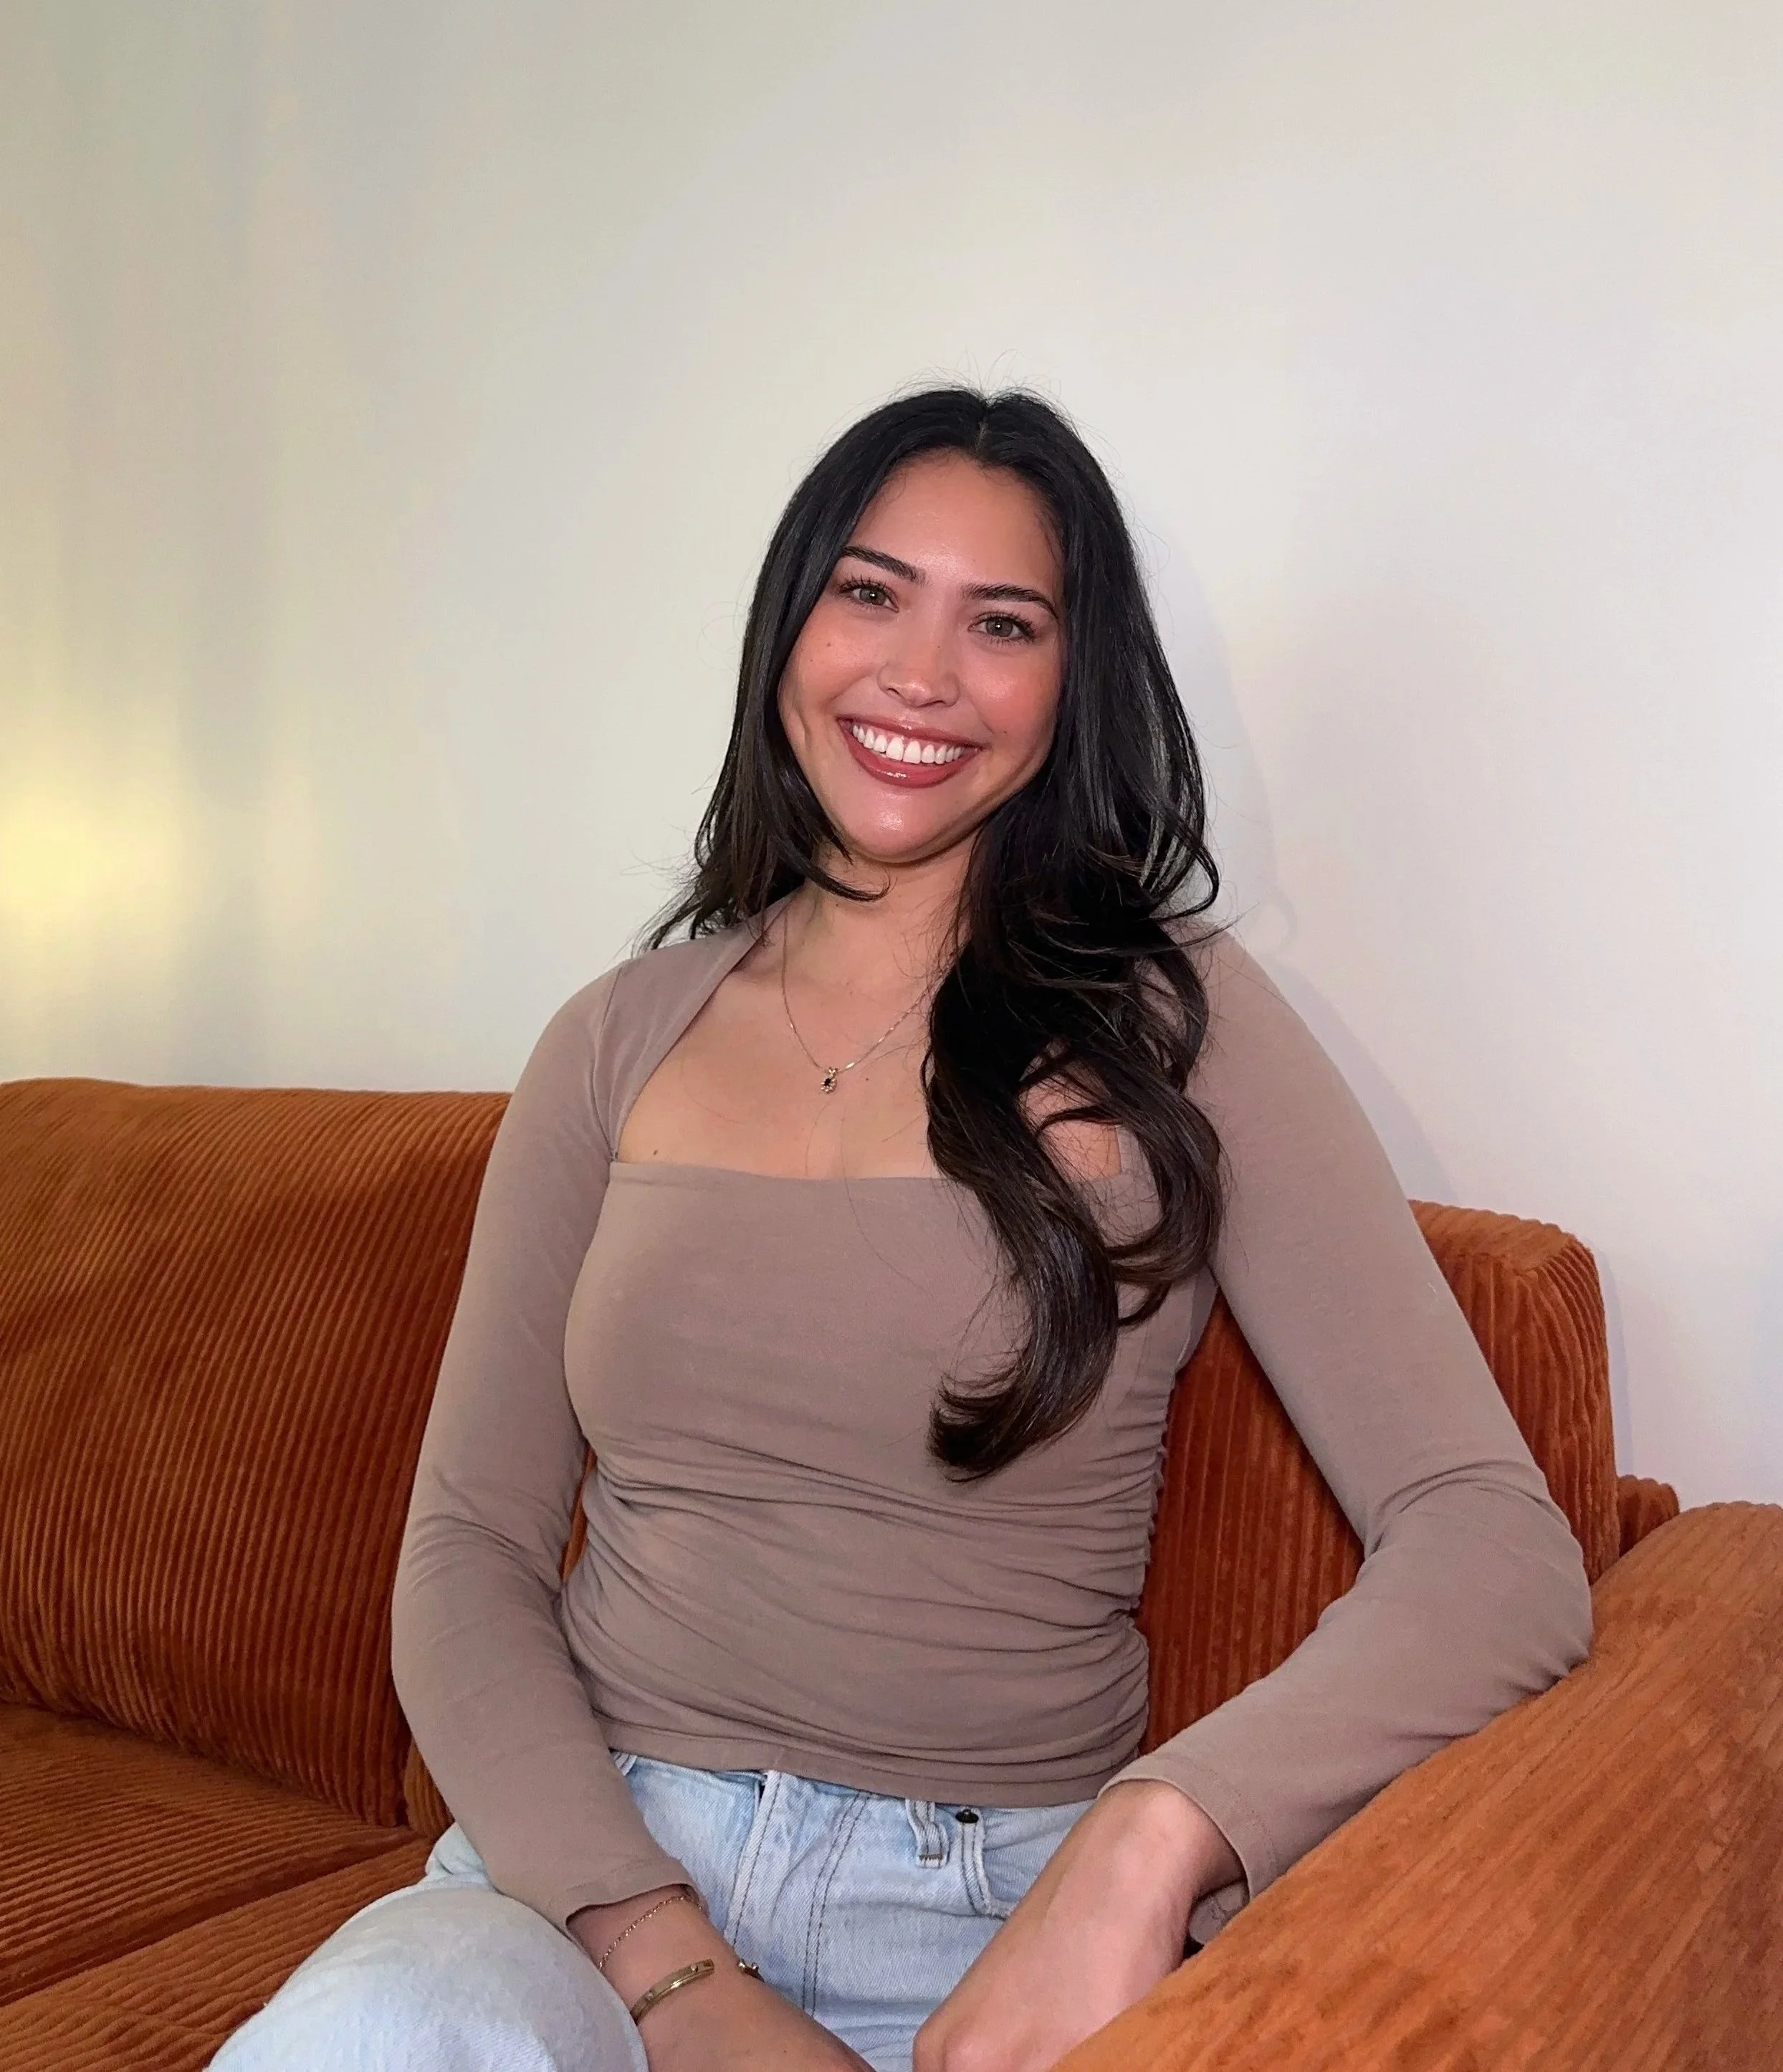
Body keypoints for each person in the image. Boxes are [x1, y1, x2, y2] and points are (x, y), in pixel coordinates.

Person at [211, 387, 1592, 2072]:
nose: (921, 673)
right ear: (790, 624)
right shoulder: (613, 1036)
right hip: (578, 1887)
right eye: (870, 593)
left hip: (991, 1912)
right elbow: (467, 1552)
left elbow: (1490, 1543)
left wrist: (1146, 1841)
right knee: (370, 2028)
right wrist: (668, 1970)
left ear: (1069, 683)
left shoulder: (1180, 1024)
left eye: (1000, 623)